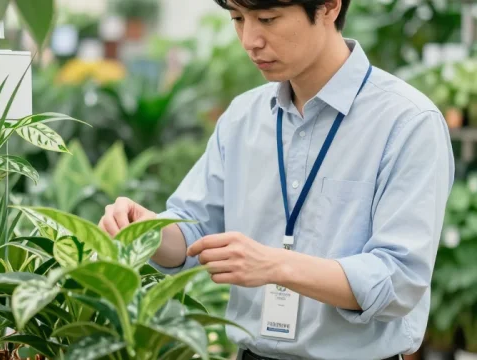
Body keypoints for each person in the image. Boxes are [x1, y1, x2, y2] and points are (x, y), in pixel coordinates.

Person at [99, 0, 455, 359]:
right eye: (238, 19)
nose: (249, 40)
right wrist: (147, 230)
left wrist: (275, 265)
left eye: (267, 19)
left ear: (330, 7)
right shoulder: (243, 117)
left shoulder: (408, 122)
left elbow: (398, 280)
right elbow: (194, 233)